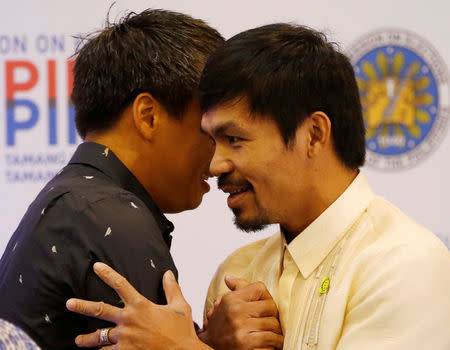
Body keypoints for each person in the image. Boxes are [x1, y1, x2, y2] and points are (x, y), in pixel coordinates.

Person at [67, 23, 450, 350]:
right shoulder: (236, 273)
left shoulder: (406, 265)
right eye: (211, 140)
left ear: (314, 135)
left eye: (234, 139)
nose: (215, 164)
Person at [0, 9, 229, 349]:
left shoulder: (75, 200)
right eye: (211, 128)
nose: (222, 159)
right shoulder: (114, 217)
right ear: (148, 116)